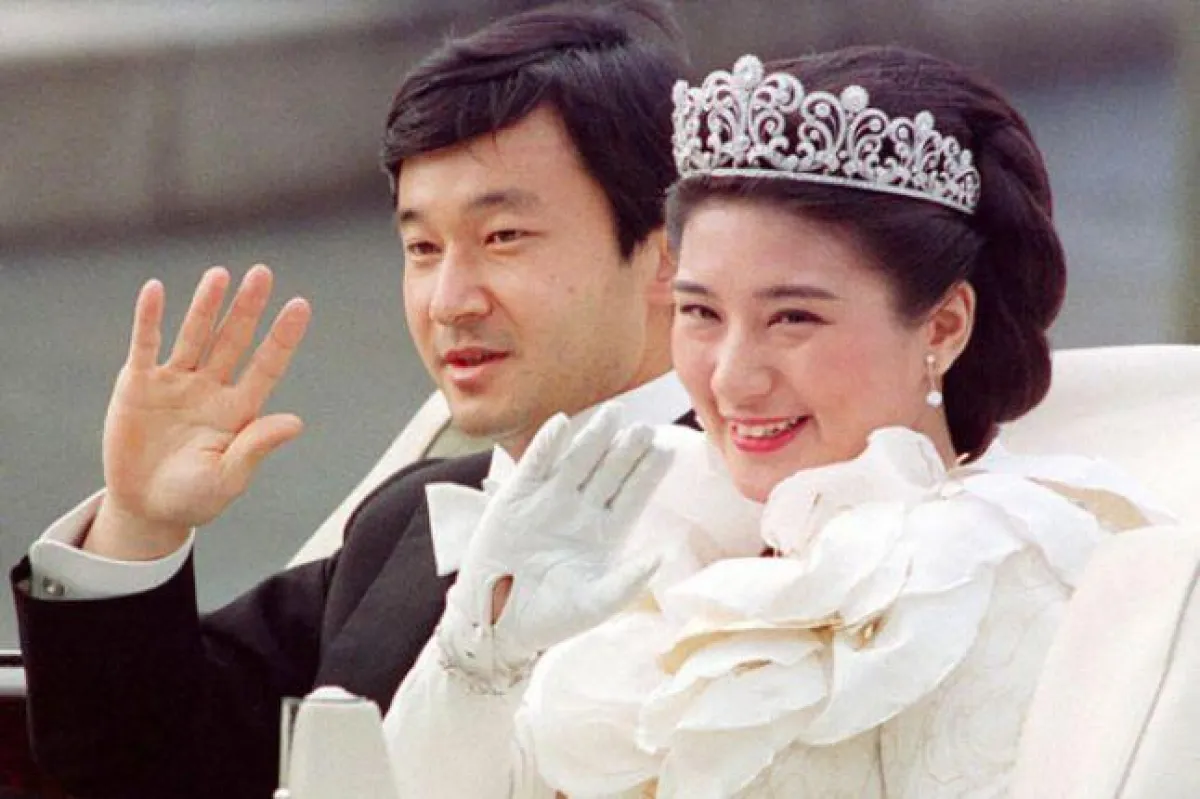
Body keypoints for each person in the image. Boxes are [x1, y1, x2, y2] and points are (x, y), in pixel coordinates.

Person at [380, 46, 1175, 797]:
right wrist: (483, 656)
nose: (732, 377)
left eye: (793, 317)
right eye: (700, 312)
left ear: (942, 326)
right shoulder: (661, 534)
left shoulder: (987, 580)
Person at [8, 3, 691, 798]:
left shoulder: (780, 524)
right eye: (422, 247)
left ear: (667, 254)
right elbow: (142, 767)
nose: (449, 301)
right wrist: (139, 522)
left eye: (503, 237)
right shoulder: (404, 522)